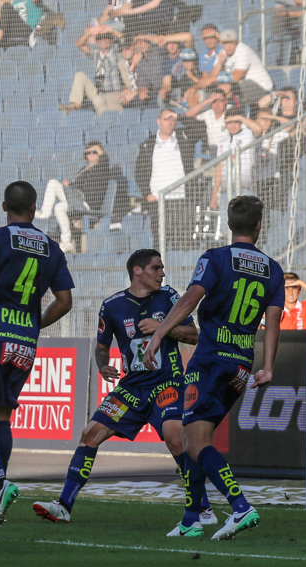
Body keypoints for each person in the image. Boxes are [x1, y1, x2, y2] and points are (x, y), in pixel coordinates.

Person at [33, 249, 217, 527]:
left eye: (162, 269)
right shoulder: (112, 305)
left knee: (175, 437)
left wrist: (162, 327)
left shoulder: (169, 297)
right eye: (156, 268)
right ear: (138, 271)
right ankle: (63, 505)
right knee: (89, 434)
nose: (162, 274)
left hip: (166, 383)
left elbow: (194, 336)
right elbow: (102, 346)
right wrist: (103, 364)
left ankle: (203, 508)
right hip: (131, 389)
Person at [143, 195, 285, 540]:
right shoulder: (274, 268)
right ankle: (192, 518)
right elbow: (274, 320)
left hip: (210, 359)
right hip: (241, 363)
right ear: (259, 226)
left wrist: (160, 333)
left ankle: (240, 507)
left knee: (195, 440)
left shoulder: (216, 258)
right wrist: (267, 366)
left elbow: (191, 298)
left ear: (228, 223)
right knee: (194, 436)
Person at [0, 181, 74, 530]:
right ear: (36, 207)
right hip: (24, 342)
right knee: (1, 416)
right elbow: (65, 302)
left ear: (5, 204)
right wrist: (33, 324)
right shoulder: (52, 248)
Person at [36, 141, 114, 253]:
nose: (91, 154)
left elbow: (105, 158)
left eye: (95, 152)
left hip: (85, 203)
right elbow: (78, 188)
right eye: (89, 152)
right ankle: (66, 241)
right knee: (58, 206)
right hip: (75, 199)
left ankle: (45, 212)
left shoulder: (101, 168)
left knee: (54, 185)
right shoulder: (83, 169)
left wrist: (98, 147)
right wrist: (68, 186)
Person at [134, 108, 196, 243]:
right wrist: (147, 194)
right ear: (158, 122)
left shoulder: (183, 137)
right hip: (158, 201)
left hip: (181, 200)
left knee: (184, 241)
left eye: (172, 119)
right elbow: (139, 172)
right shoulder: (148, 144)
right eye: (166, 119)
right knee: (160, 242)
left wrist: (179, 116)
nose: (170, 122)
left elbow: (200, 128)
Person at [64, 26, 125, 116]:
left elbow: (126, 39)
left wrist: (110, 30)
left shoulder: (115, 49)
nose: (103, 40)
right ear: (97, 41)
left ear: (111, 40)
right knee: (80, 75)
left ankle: (105, 121)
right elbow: (78, 44)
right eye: (100, 38)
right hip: (99, 91)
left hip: (114, 92)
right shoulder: (95, 51)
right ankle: (75, 105)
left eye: (106, 37)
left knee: (102, 104)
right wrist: (90, 32)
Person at [209, 29, 274, 110]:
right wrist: (219, 64)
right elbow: (211, 77)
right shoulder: (222, 54)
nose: (228, 46)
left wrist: (220, 82)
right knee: (212, 90)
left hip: (261, 87)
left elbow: (237, 77)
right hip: (240, 86)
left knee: (232, 88)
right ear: (221, 43)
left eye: (231, 42)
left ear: (236, 41)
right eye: (225, 43)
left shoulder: (243, 50)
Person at [210, 108, 261, 210]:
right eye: (229, 122)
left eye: (236, 122)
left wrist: (240, 117)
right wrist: (215, 192)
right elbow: (219, 166)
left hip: (245, 188)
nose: (232, 126)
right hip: (226, 191)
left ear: (240, 122)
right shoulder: (222, 139)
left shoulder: (248, 134)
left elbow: (259, 129)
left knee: (244, 222)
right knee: (227, 223)